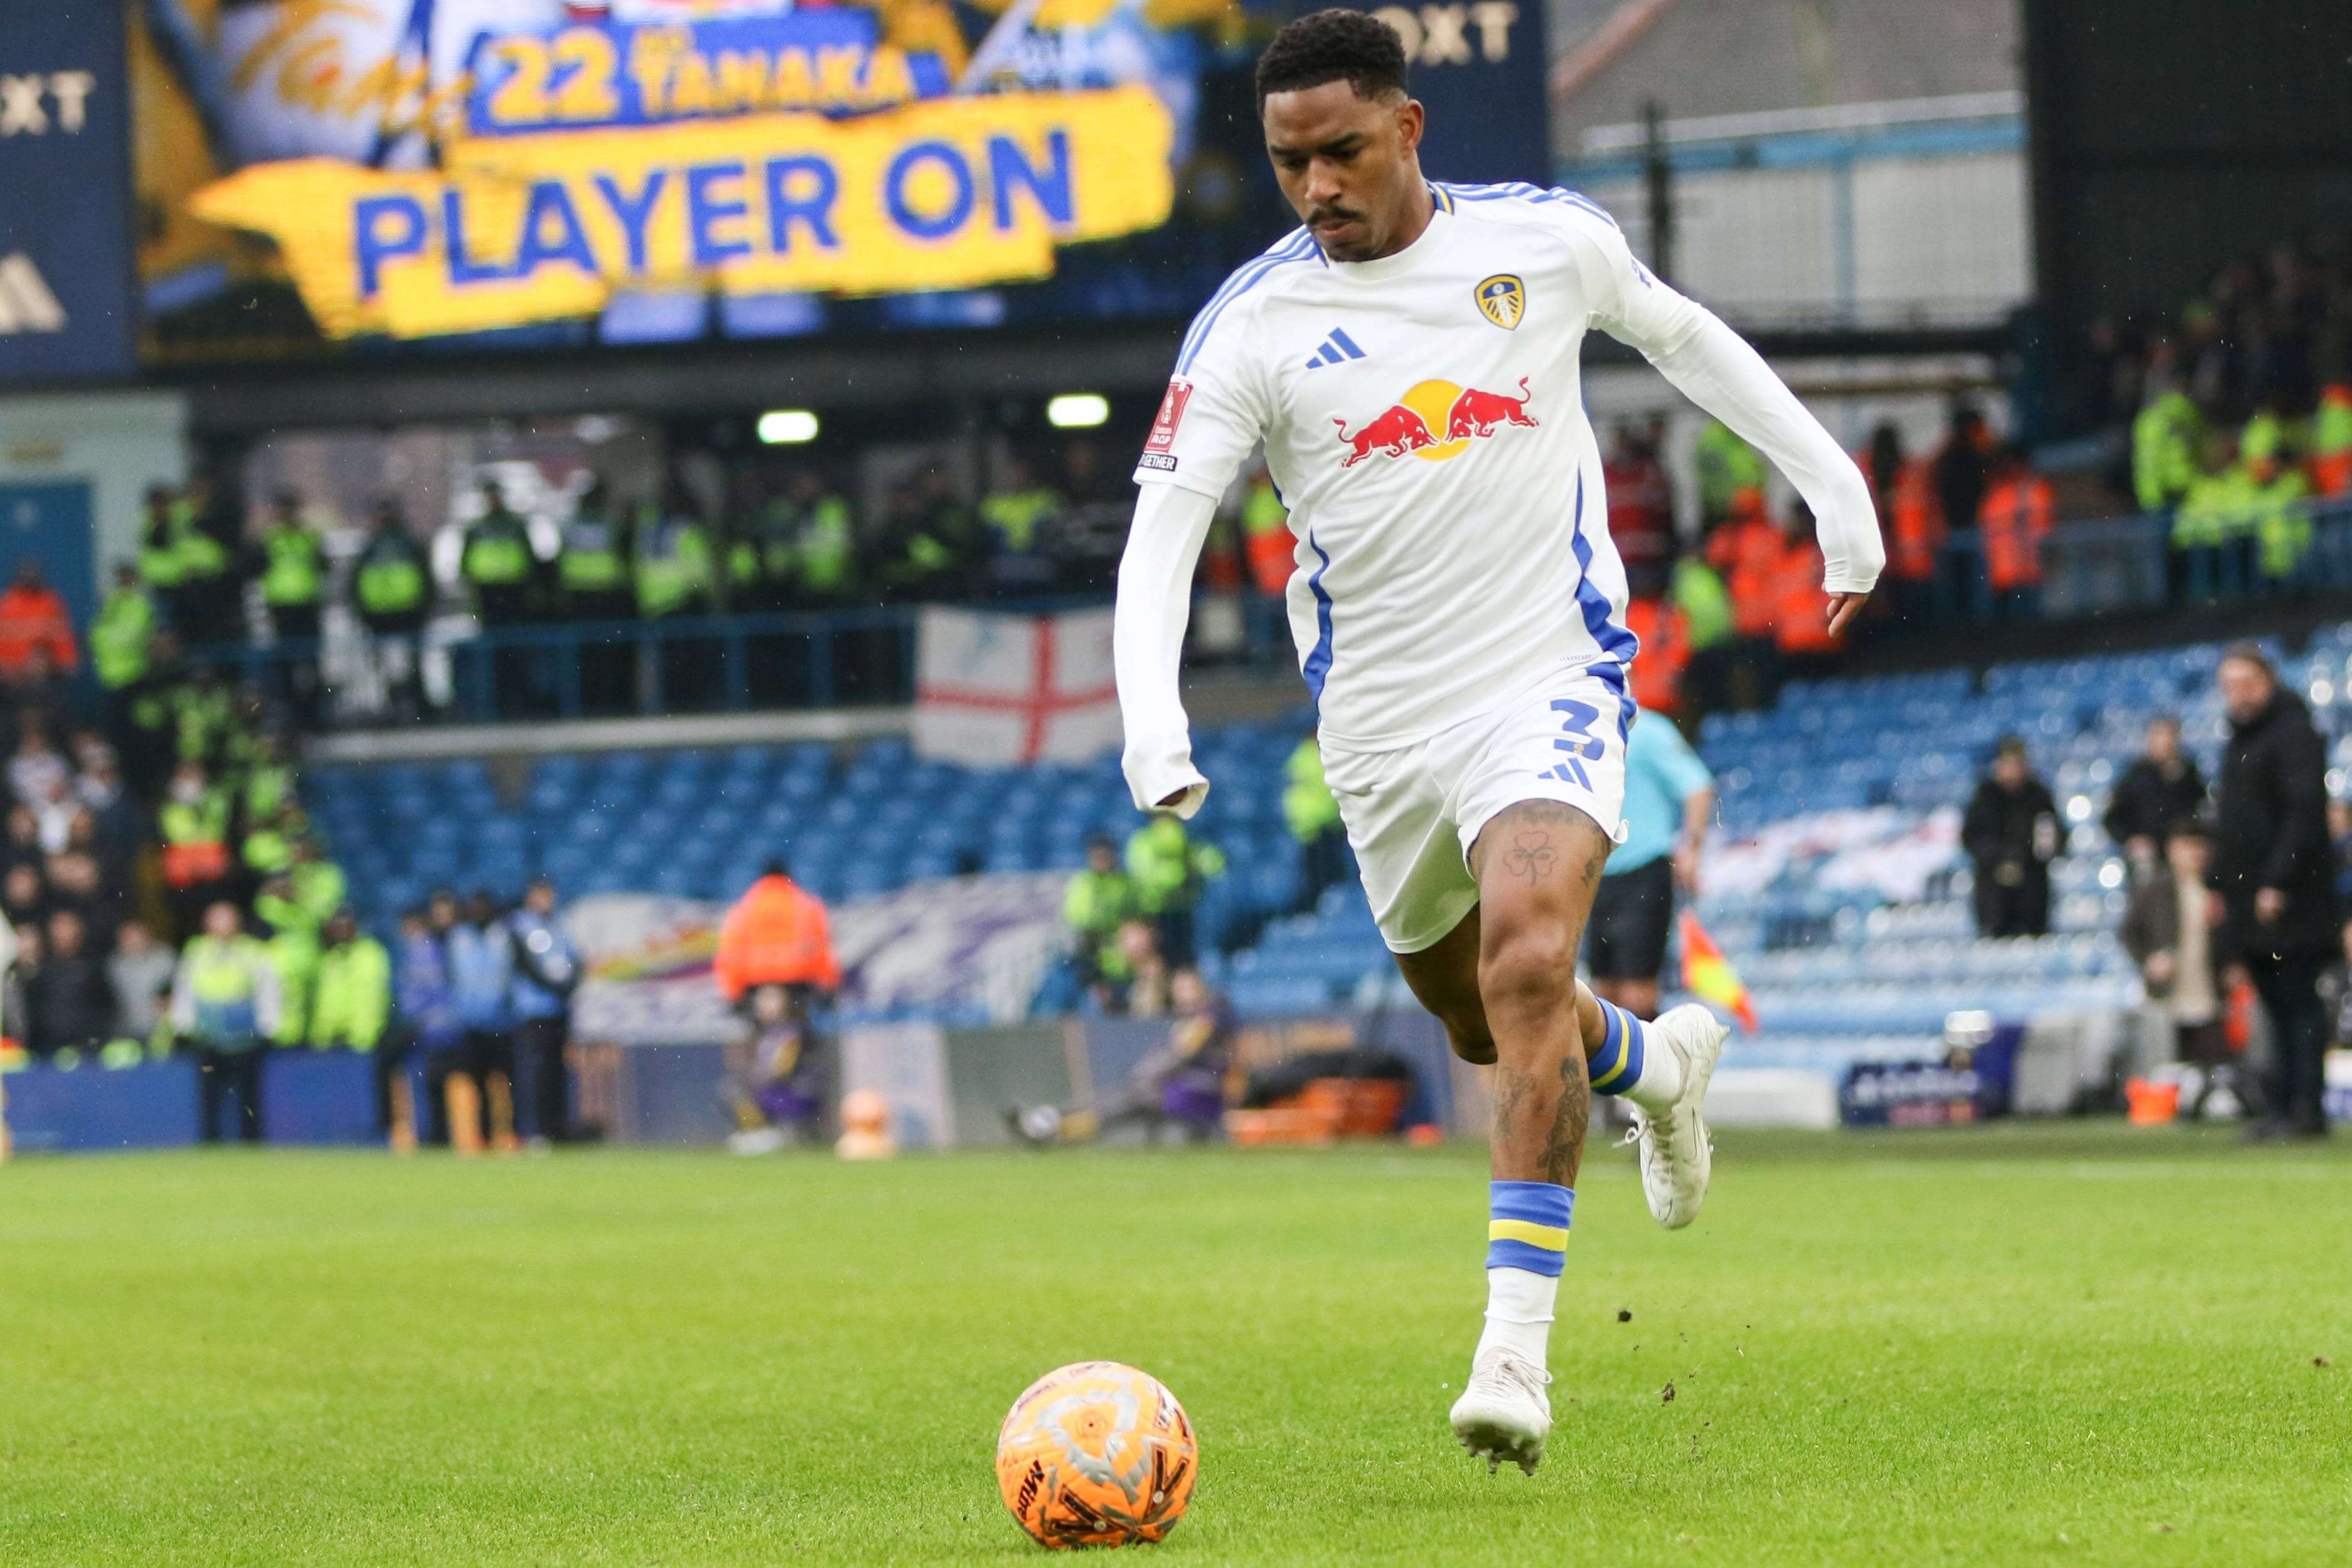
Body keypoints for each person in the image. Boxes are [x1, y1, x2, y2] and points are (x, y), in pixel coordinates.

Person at [1111, 9, 1879, 1475]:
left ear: (1407, 128)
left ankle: (1512, 1358)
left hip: (1546, 677)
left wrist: (1831, 489)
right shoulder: (1253, 323)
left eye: (1342, 150)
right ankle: (1655, 1066)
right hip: (1377, 731)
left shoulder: (1543, 242)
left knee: (1526, 965)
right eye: (1287, 162)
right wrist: (1154, 718)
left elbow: (1683, 336)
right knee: (1482, 1019)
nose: (1316, 186)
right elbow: (1168, 523)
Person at [2211, 644, 2336, 1139]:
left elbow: (2302, 814)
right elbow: (2233, 823)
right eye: (2229, 686)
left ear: (2268, 682)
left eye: (2246, 683)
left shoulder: (2293, 733)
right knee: (2274, 1005)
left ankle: (2305, 1107)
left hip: (2289, 899)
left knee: (2297, 1002)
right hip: (2250, 897)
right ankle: (2283, 1105)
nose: (2237, 694)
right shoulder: (2239, 740)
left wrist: (2277, 880)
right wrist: (2221, 886)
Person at [1006, 968, 1236, 1146]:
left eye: (1187, 987)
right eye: (1178, 988)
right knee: (1111, 1104)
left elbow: (1179, 1054)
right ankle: (1049, 1126)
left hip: (1193, 1094)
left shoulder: (1207, 1019)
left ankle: (1048, 1128)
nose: (1181, 993)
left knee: (1114, 1106)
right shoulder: (1200, 1018)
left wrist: (1146, 1076)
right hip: (1179, 1090)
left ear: (1201, 988)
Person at [1583, 708, 1713, 1021]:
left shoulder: (1648, 730)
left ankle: (1651, 1053)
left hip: (1644, 872)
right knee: (1603, 994)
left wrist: (1692, 849)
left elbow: (1698, 787)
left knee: (1637, 994)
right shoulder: (1584, 729)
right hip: (1597, 877)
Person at [2121, 820, 2229, 1067]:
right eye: (2187, 846)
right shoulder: (2154, 891)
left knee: (2211, 1068)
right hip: (2168, 998)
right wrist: (2149, 960)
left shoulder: (2216, 890)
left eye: (2200, 846)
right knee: (2168, 1069)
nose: (2195, 854)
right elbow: (2130, 933)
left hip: (2209, 996)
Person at [172, 900, 281, 1143]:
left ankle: (251, 1142)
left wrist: (268, 1024)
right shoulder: (197, 950)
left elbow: (268, 989)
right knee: (209, 1094)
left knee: (249, 1094)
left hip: (245, 1035)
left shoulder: (253, 951)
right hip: (208, 1035)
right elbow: (185, 989)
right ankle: (211, 1141)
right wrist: (184, 1023)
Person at [309, 908, 404, 1147]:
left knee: (371, 1096)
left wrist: (365, 1034)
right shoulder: (330, 959)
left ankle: (381, 1139)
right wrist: (322, 1035)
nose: (341, 930)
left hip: (366, 1040)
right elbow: (326, 1002)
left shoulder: (370, 954)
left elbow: (374, 998)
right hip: (335, 1041)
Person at [505, 876, 580, 1143]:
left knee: (557, 1072)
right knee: (533, 1073)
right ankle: (532, 1131)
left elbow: (575, 961)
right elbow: (525, 965)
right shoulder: (519, 925)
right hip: (531, 1011)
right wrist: (556, 987)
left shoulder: (560, 924)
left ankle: (557, 1130)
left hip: (557, 1011)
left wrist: (568, 986)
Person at [1962, 737, 2061, 938]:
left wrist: (2027, 857)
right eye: (2010, 763)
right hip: (1994, 894)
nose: (2015, 769)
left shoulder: (2038, 796)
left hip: (2032, 892)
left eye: (2019, 762)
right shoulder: (1985, 797)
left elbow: (2054, 837)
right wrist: (2002, 859)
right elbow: (1971, 839)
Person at [713, 860, 841, 1006]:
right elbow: (821, 949)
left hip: (753, 982)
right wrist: (828, 988)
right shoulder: (808, 906)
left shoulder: (742, 908)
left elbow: (730, 954)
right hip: (796, 981)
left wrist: (734, 994)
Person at [448, 890, 519, 1151]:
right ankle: (483, 1135)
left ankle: (511, 1132)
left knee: (507, 1081)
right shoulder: (459, 939)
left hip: (501, 1021)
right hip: (472, 1022)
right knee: (477, 1083)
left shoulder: (503, 937)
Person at [352, 500, 433, 715]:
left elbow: (426, 578)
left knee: (411, 663)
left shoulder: (406, 543)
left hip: (406, 611)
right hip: (380, 614)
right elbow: (356, 582)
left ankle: (414, 704)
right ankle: (389, 706)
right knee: (384, 666)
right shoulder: (373, 546)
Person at [399, 902, 468, 1151]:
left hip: (447, 1027)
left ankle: (453, 1136)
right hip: (434, 1028)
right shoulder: (425, 950)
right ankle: (436, 1136)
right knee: (431, 1085)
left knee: (445, 1084)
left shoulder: (442, 948)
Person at [2103, 715, 2207, 879]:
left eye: (2170, 736)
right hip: (2148, 859)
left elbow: (2199, 811)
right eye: (2159, 736)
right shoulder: (2135, 776)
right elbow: (2112, 817)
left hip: (2180, 858)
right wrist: (2131, 840)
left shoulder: (2189, 775)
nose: (2166, 742)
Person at [1124, 812, 1225, 969]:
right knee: (1161, 965)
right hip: (1157, 913)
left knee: (1173, 966)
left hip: (1177, 912)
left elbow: (1214, 864)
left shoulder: (1146, 840)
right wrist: (1183, 876)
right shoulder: (1147, 841)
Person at [1976, 445, 2054, 621]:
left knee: (2030, 619)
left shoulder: (2032, 490)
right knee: (2007, 622)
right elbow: (1987, 526)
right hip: (2001, 572)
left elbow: (2042, 527)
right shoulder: (1997, 492)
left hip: (2027, 570)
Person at [1062, 836, 1141, 1003]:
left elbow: (1136, 914)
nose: (1103, 862)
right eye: (1099, 857)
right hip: (1091, 948)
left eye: (1107, 856)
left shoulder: (1125, 884)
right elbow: (1080, 918)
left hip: (1121, 945)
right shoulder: (1083, 883)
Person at [1284, 734, 1347, 913]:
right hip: (1322, 824)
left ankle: (1319, 909)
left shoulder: (1301, 755)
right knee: (1323, 875)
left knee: (1319, 874)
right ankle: (1319, 910)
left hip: (1315, 825)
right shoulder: (1317, 754)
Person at [0, 559, 79, 684]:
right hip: (10, 677)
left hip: (46, 676)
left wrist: (66, 662)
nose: (30, 579)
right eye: (27, 574)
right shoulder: (6, 603)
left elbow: (63, 638)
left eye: (34, 574)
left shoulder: (51, 602)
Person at [109, 919, 177, 1045]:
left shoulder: (166, 958)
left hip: (162, 1030)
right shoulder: (114, 964)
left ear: (147, 936)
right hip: (126, 1030)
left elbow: (178, 991)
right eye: (127, 937)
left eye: (136, 936)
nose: (132, 942)